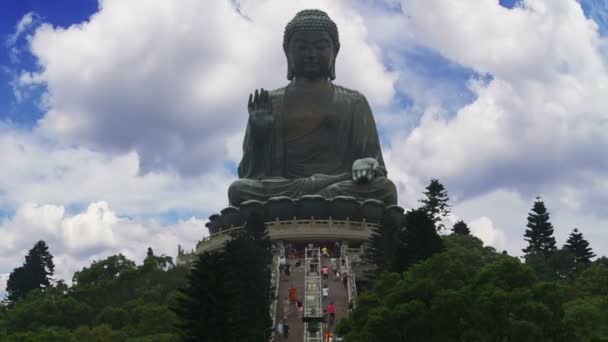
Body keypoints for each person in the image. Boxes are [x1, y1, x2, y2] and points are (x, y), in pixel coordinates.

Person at [227, 9, 398, 206]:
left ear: (335, 50)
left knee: (385, 189)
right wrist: (259, 138)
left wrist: (367, 164)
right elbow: (251, 175)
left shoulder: (354, 101)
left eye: (320, 47)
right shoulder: (270, 102)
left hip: (337, 186)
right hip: (287, 189)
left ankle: (311, 202)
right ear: (287, 51)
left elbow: (374, 165)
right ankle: (316, 201)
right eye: (302, 47)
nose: (311, 54)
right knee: (239, 190)